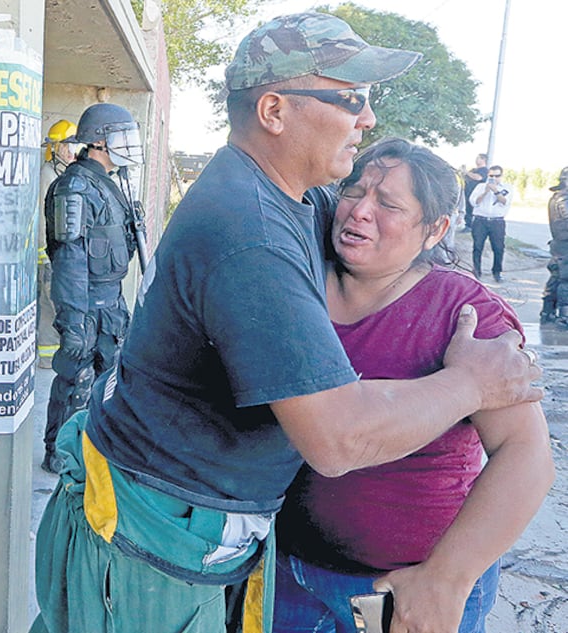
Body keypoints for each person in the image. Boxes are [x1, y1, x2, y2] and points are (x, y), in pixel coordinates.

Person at [30, 12, 541, 633]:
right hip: (154, 542)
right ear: (274, 111)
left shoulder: (288, 199)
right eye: (350, 99)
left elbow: (524, 453)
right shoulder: (253, 236)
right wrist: (470, 385)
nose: (368, 119)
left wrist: (451, 575)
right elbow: (337, 440)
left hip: (202, 537)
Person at [273, 138, 554, 633]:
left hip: (408, 588)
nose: (359, 212)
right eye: (354, 192)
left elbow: (526, 455)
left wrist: (446, 579)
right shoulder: (300, 284)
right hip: (290, 574)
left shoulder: (463, 312)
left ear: (436, 229)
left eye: (388, 204)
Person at [40, 103, 143, 474]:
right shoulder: (75, 186)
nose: (129, 145)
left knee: (107, 383)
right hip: (86, 304)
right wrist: (74, 321)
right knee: (76, 380)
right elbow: (69, 259)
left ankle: (92, 449)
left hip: (110, 305)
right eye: (122, 136)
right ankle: (60, 453)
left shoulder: (109, 183)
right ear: (100, 140)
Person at [37, 120, 78, 369]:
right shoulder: (48, 176)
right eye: (66, 146)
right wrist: (45, 253)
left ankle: (49, 356)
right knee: (53, 306)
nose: (71, 152)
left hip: (55, 253)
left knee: (50, 306)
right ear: (55, 148)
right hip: (49, 255)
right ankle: (54, 358)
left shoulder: (60, 173)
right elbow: (43, 217)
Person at [469, 164, 512, 282]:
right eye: (491, 176)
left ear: (501, 176)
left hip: (497, 221)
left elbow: (505, 202)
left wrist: (496, 191)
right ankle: (476, 271)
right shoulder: (480, 186)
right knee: (477, 247)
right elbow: (474, 202)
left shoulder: (507, 187)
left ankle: (497, 271)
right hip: (480, 220)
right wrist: (485, 192)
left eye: (496, 176)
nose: (494, 178)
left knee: (498, 248)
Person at [541, 166, 568, 325]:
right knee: (566, 280)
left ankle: (547, 311)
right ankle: (565, 317)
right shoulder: (564, 198)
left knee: (557, 278)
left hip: (560, 245)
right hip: (565, 245)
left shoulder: (558, 197)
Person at [461, 153, 488, 232]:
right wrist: (463, 171)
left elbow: (478, 177)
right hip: (468, 192)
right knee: (468, 209)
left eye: (478, 158)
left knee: (474, 210)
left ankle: (474, 227)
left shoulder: (484, 170)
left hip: (476, 194)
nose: (476, 160)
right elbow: (465, 177)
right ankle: (468, 226)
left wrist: (467, 172)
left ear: (483, 159)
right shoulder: (473, 170)